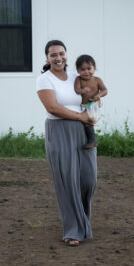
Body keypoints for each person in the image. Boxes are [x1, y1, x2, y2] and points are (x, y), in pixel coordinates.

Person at [36, 40, 97, 247]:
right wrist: (79, 117)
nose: (58, 58)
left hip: (84, 131)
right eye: (53, 55)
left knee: (88, 179)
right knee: (67, 182)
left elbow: (91, 95)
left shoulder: (76, 77)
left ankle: (83, 221)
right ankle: (73, 229)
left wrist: (94, 105)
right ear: (47, 58)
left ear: (66, 55)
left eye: (61, 53)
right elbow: (52, 107)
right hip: (59, 131)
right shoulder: (44, 80)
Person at [74, 54, 108, 149]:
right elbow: (77, 90)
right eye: (82, 69)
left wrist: (99, 95)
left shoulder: (97, 80)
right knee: (84, 122)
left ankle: (92, 140)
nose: (86, 72)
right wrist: (82, 90)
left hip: (93, 104)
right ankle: (89, 140)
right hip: (83, 105)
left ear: (94, 68)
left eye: (89, 68)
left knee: (89, 122)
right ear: (78, 70)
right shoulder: (78, 79)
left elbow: (105, 90)